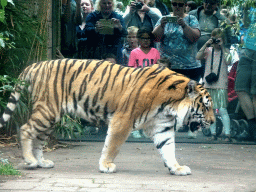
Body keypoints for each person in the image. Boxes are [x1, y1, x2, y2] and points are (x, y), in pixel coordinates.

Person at [196, 28, 232, 142]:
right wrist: (206, 44)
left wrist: (223, 46)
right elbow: (198, 56)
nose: (217, 42)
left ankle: (227, 134)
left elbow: (229, 61)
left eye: (219, 39)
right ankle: (213, 133)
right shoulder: (209, 50)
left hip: (221, 84)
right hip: (209, 84)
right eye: (215, 39)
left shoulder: (225, 51)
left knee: (222, 110)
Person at [153, 0, 201, 81]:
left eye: (180, 4)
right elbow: (155, 38)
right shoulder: (163, 19)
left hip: (189, 67)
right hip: (167, 66)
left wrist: (184, 25)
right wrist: (161, 26)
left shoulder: (191, 19)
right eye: (174, 4)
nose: (177, 7)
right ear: (171, 5)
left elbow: (195, 38)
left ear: (185, 5)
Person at [234, 6, 256, 141]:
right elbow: (246, 23)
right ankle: (252, 127)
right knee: (240, 88)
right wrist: (246, 9)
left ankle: (253, 131)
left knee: (255, 92)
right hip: (247, 50)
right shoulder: (250, 4)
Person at [189, 0, 226, 78]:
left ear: (217, 4)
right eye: (206, 2)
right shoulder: (192, 14)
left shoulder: (221, 19)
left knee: (206, 84)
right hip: (191, 56)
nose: (208, 5)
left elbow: (226, 40)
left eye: (212, 3)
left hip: (209, 58)